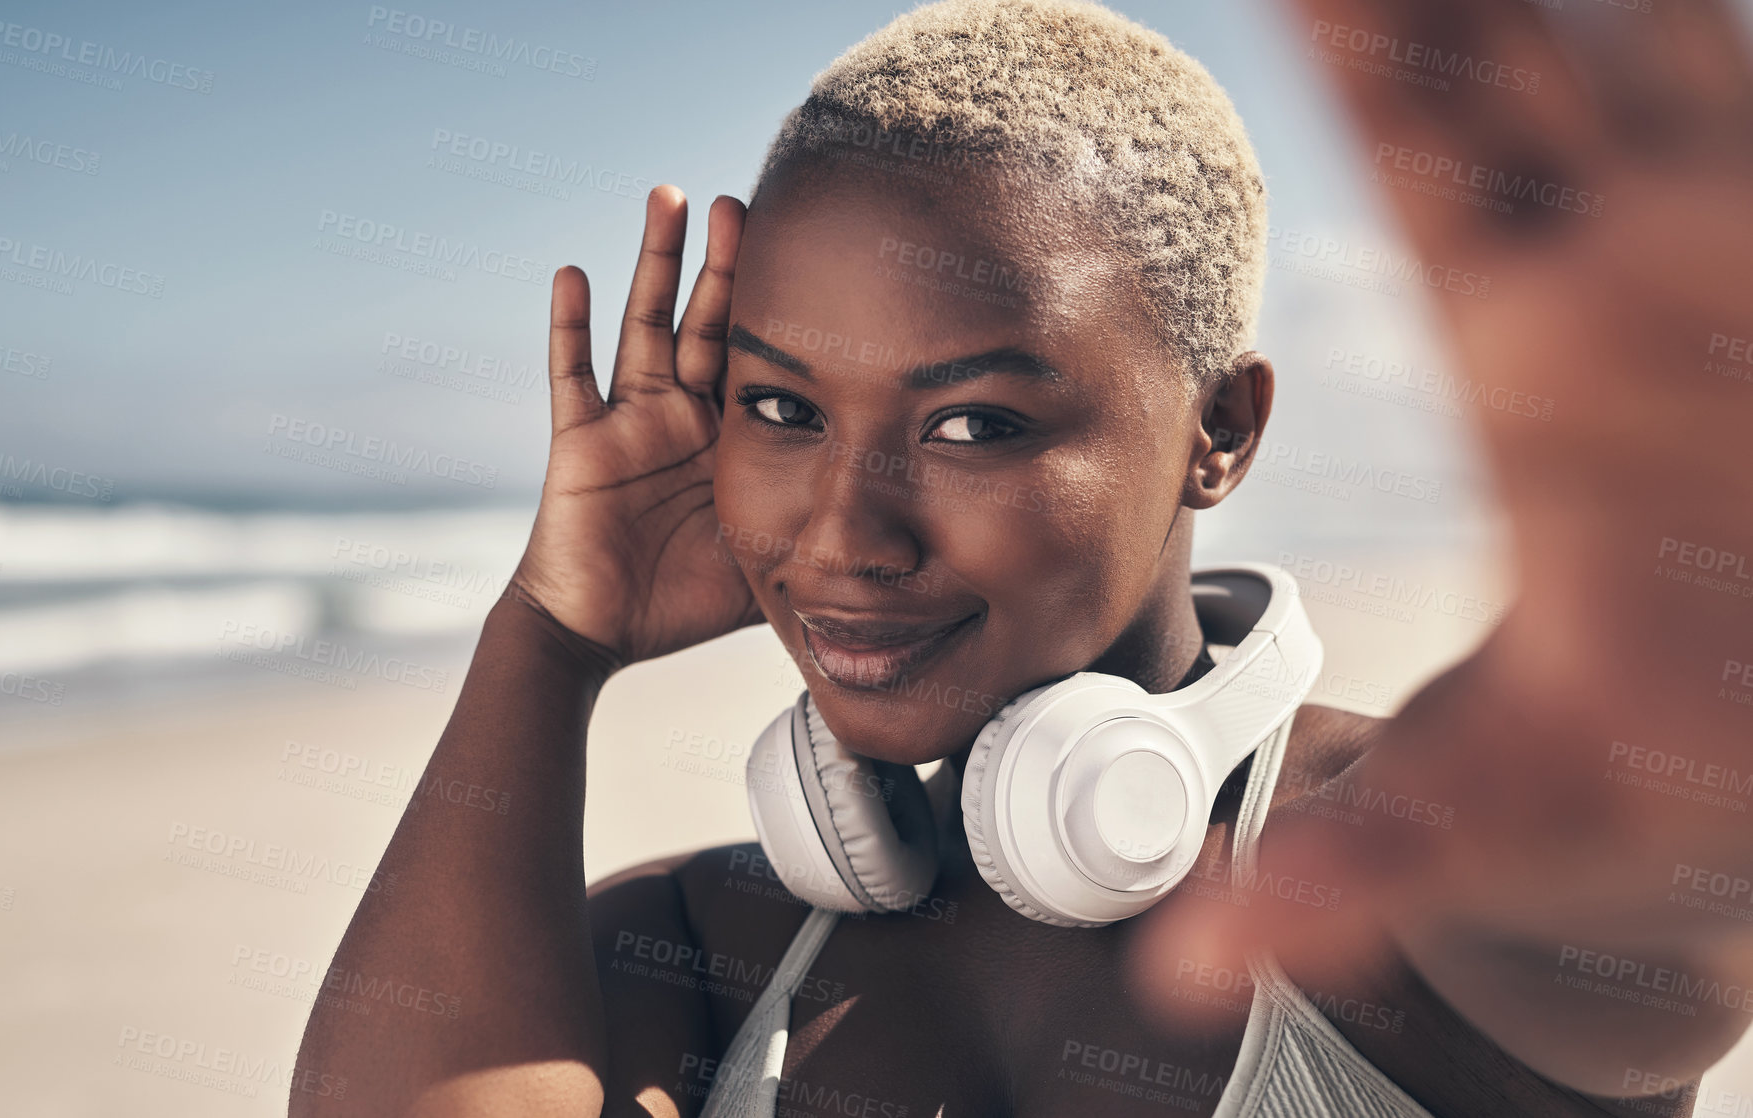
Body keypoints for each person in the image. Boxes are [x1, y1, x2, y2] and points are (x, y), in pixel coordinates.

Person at [292, 0, 1753, 1114]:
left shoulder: (1410, 884)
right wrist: (547, 638)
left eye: (977, 421)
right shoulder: (690, 945)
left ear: (1221, 432)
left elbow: (1659, 868)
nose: (846, 532)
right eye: (782, 406)